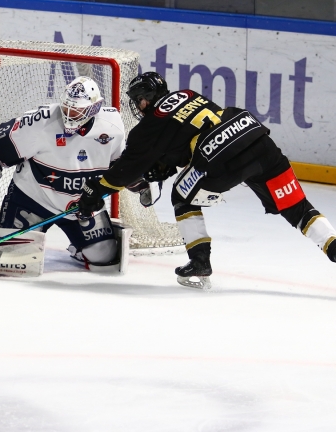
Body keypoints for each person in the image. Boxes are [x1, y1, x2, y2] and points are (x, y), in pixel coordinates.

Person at [77, 71, 336, 288]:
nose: (139, 105)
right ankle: (333, 246)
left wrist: (94, 191)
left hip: (221, 158)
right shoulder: (188, 94)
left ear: (145, 100)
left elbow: (127, 170)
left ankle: (200, 262)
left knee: (181, 196)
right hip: (257, 141)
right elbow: (187, 132)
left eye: (139, 100)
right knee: (297, 208)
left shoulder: (147, 128)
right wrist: (167, 163)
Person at [0, 76, 127, 268]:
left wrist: (138, 181)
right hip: (33, 199)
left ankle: (79, 246)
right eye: (66, 107)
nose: (70, 114)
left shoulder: (112, 126)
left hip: (82, 205)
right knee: (11, 258)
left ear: (94, 109)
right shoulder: (40, 122)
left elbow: (122, 164)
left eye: (77, 110)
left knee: (103, 257)